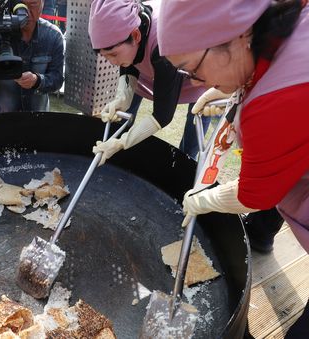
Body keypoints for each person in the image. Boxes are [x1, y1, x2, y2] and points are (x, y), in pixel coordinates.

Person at [157, 0, 309, 337]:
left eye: (192, 69)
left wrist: (205, 199)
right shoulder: (291, 26)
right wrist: (234, 92)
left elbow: (255, 194)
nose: (195, 81)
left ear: (238, 35)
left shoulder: (277, 100)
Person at [88, 0, 207, 163]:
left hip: (200, 74)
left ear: (136, 35)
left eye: (114, 55)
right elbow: (130, 60)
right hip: (156, 68)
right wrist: (122, 98)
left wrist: (121, 143)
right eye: (105, 56)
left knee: (197, 120)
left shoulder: (164, 42)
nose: (112, 63)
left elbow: (162, 115)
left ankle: (185, 166)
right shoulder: (131, 29)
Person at [0, 0, 64, 113]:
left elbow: (58, 79)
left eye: (33, 4)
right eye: (21, 6)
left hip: (38, 121)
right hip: (5, 122)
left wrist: (37, 81)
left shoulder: (53, 36)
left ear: (42, 4)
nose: (26, 13)